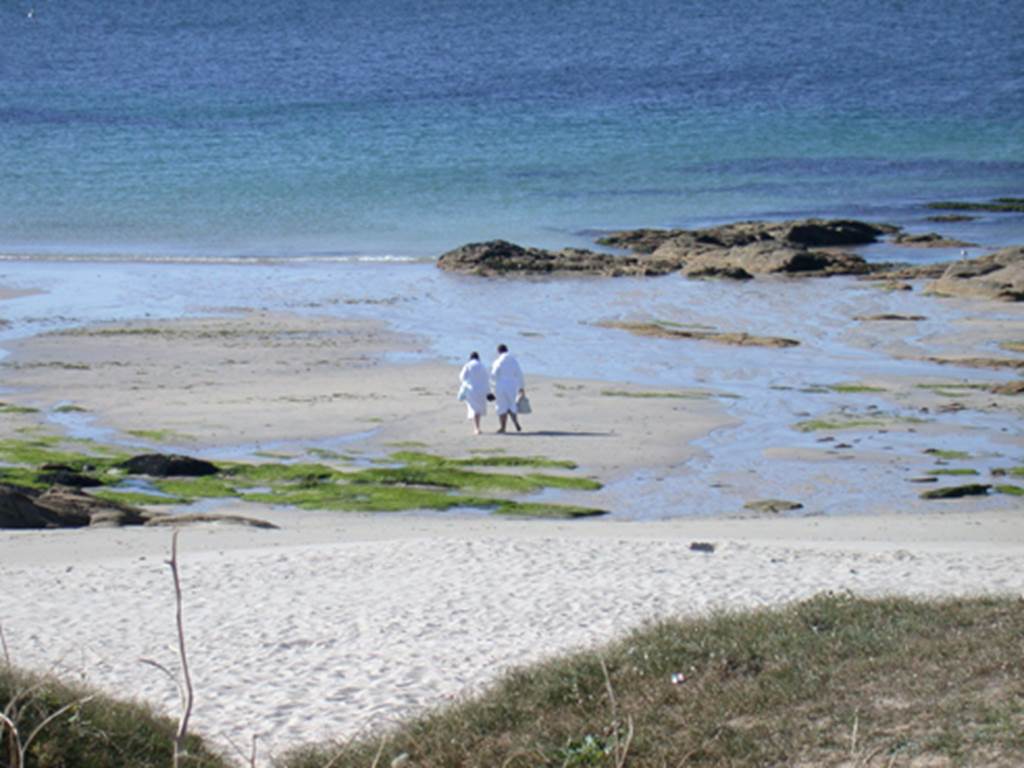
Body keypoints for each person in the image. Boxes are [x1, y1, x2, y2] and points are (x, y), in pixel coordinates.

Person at [490, 343, 525, 433]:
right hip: (512, 385)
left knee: (501, 406)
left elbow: (493, 375)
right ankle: (515, 421)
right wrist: (521, 387)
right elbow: (519, 374)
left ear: (498, 351)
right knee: (511, 404)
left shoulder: (498, 361)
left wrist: (493, 386)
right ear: (507, 350)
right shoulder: (514, 361)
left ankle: (503, 427)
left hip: (501, 384)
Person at [458, 351, 490, 435]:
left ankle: (477, 428)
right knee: (478, 409)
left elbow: (462, 377)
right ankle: (477, 427)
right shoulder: (483, 366)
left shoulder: (468, 365)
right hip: (482, 390)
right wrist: (488, 391)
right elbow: (487, 378)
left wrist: (467, 382)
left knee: (474, 409)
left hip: (472, 389)